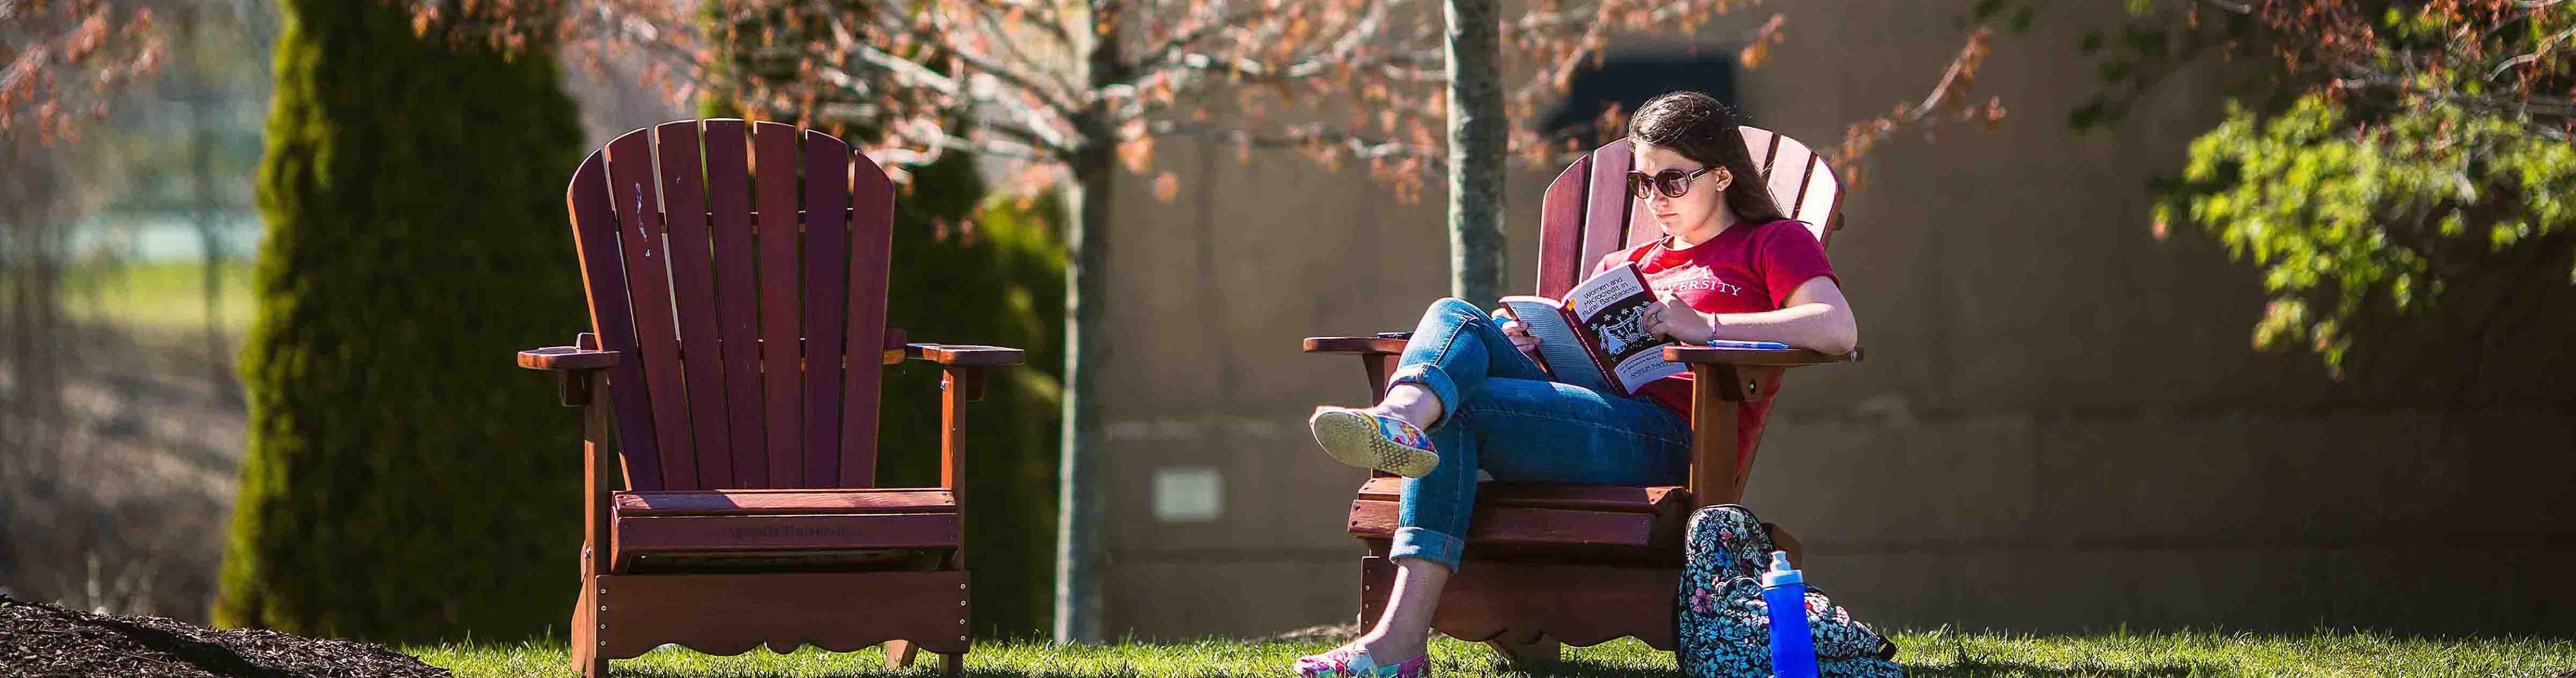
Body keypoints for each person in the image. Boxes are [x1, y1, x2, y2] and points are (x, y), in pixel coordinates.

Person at [1294, 91, 1861, 678]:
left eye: (1671, 181)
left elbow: (1837, 329)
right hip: (1595, 416)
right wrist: (1530, 347)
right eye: (1643, 183)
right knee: (1456, 315)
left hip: (1677, 440)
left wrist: (1707, 327)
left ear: (1720, 174)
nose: (1653, 198)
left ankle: (1398, 642)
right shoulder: (1625, 265)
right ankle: (1402, 417)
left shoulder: (1772, 242)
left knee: (1457, 409)